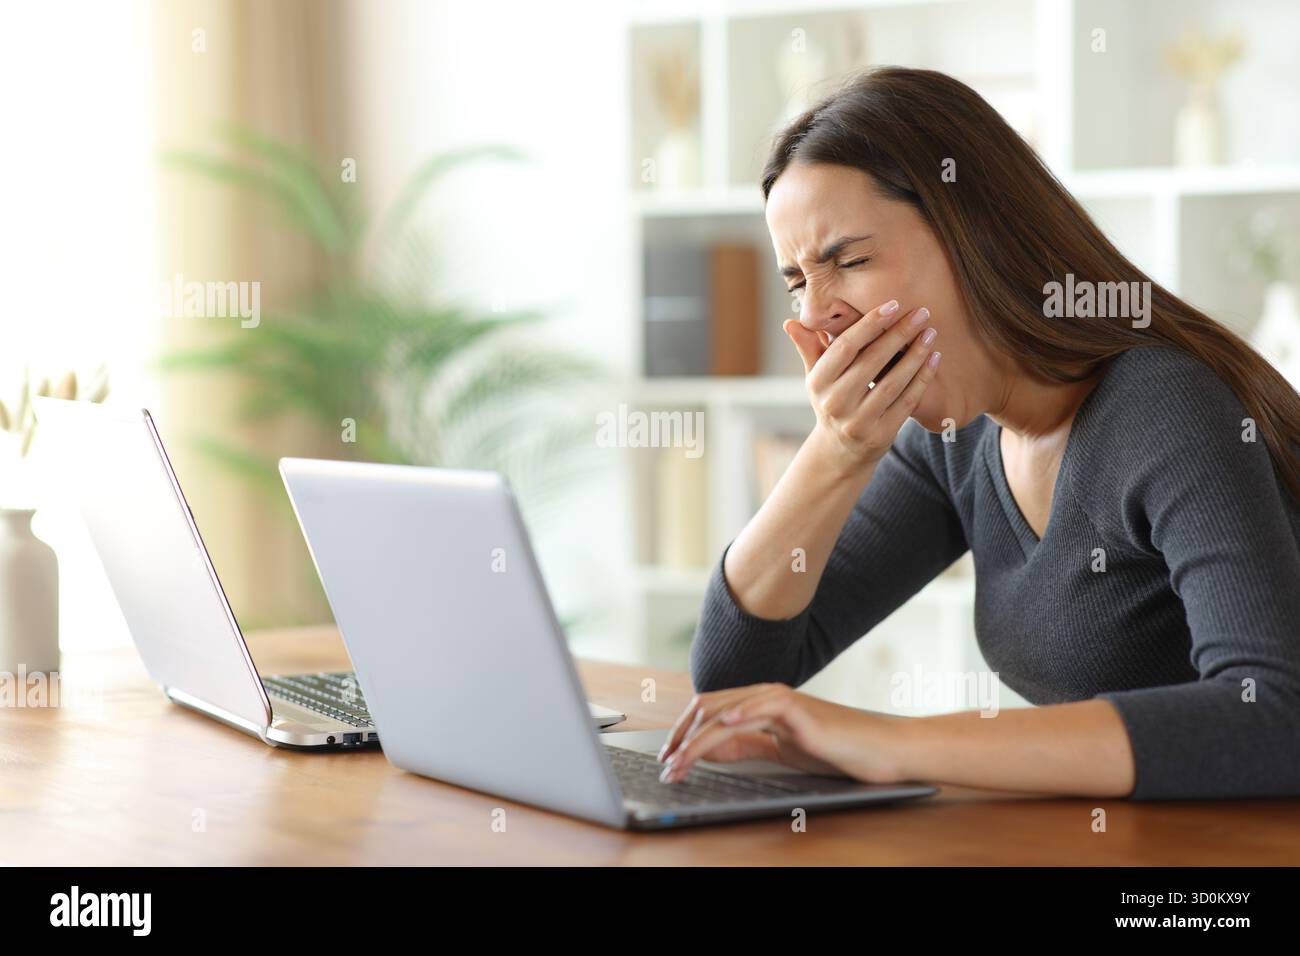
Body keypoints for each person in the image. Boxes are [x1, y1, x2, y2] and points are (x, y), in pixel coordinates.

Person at [659, 67, 1300, 800]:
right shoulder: (954, 438)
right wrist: (836, 451)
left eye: (852, 261)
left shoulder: (1163, 406)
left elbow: (1274, 716)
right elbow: (737, 678)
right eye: (798, 283)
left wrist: (892, 741)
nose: (820, 313)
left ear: (978, 236)